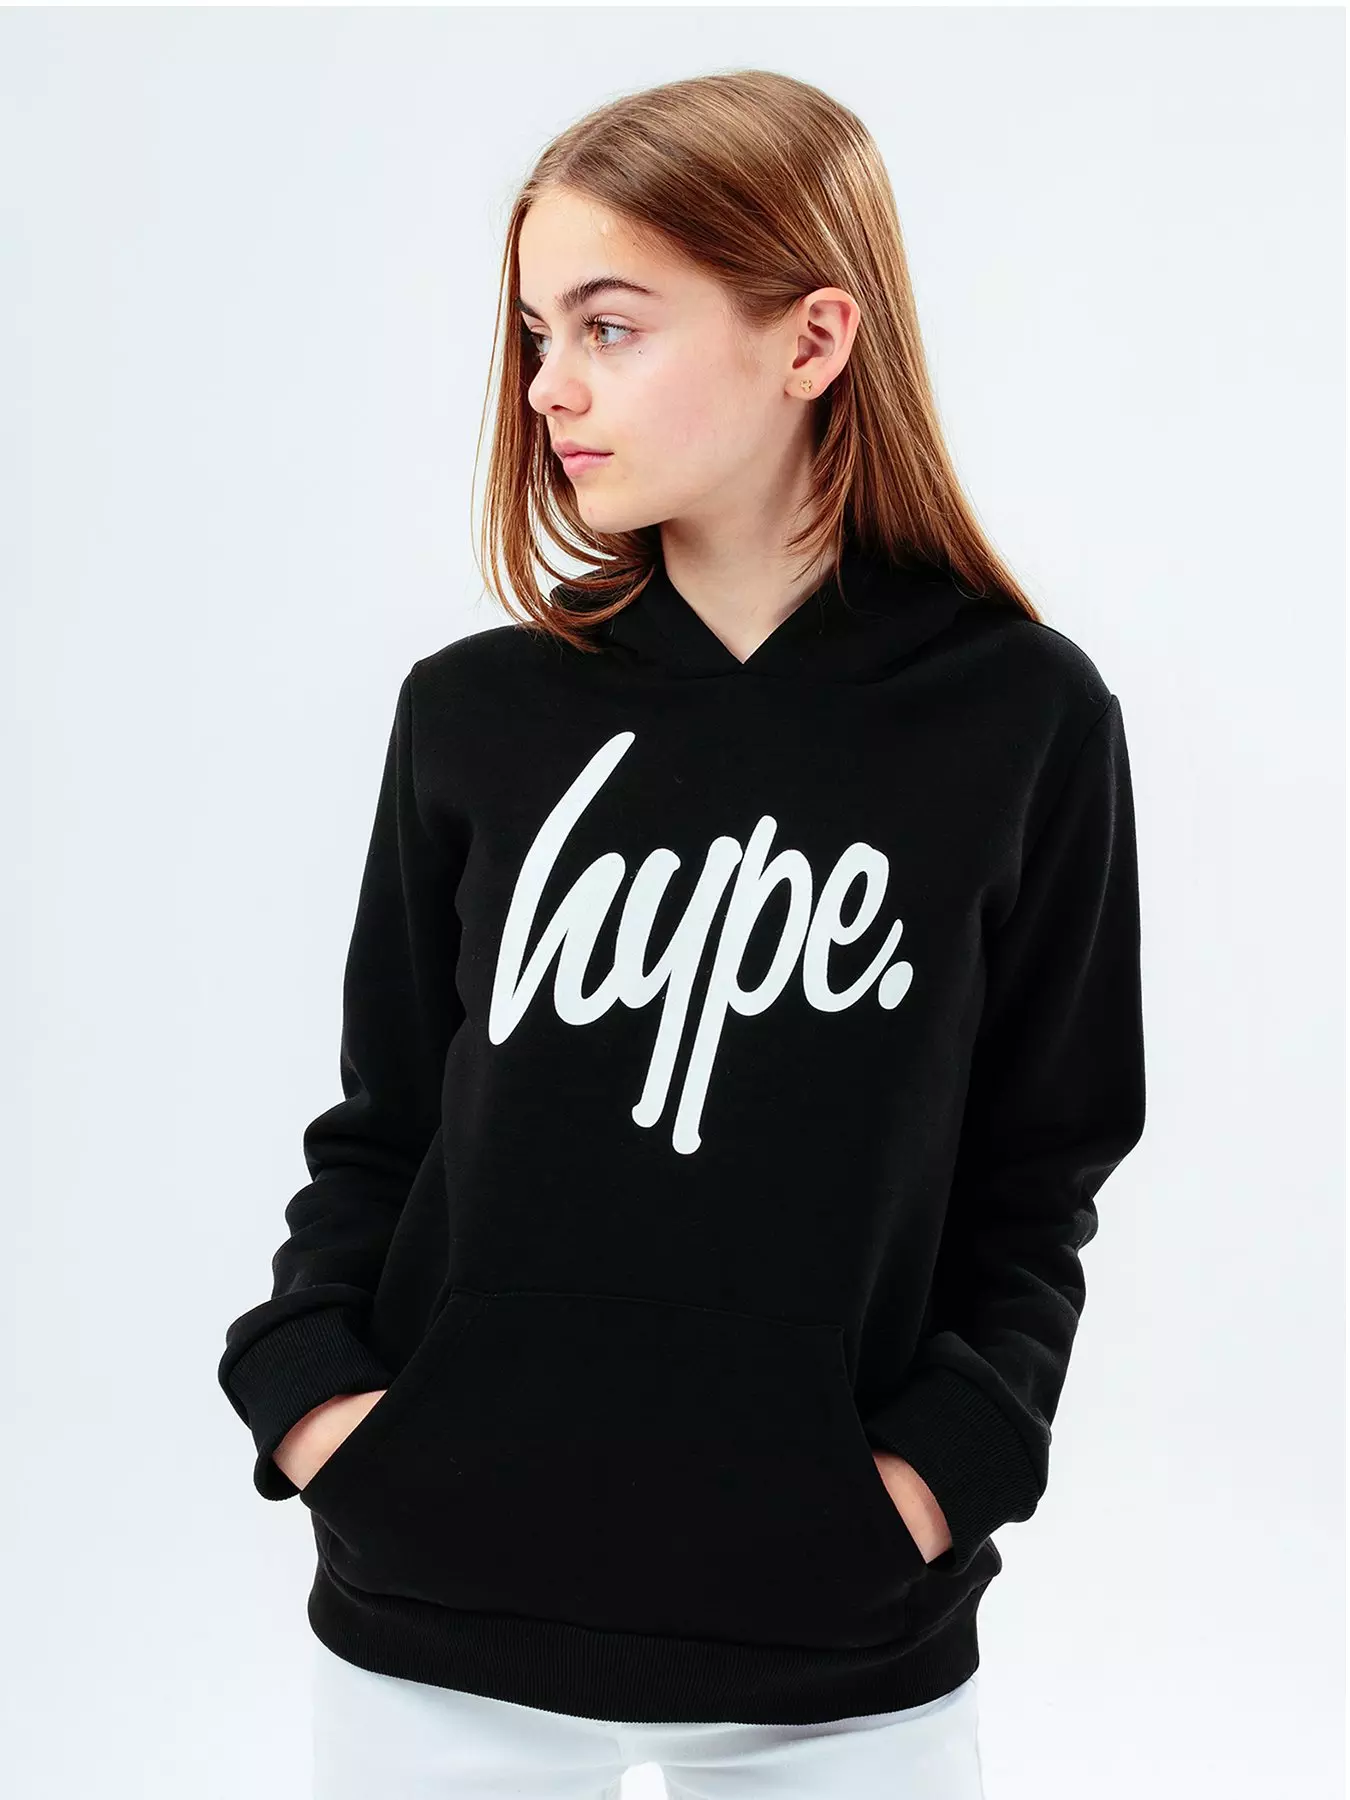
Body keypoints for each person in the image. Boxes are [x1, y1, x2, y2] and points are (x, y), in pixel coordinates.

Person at [217, 68, 1145, 1800]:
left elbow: (1040, 1173)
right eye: (533, 334)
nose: (546, 387)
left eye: (609, 326)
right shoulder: (475, 715)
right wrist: (314, 1400)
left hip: (838, 1655)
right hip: (435, 1632)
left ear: (811, 340)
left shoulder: (1021, 721)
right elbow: (385, 1126)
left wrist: (929, 1480)